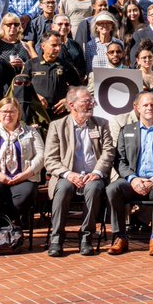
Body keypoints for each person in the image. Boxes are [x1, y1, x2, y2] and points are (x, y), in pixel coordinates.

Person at [104, 91, 153, 257]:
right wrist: (133, 179)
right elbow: (120, 161)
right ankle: (120, 237)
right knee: (112, 189)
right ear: (137, 108)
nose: (149, 108)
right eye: (145, 105)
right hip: (133, 181)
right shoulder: (126, 130)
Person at [43, 87, 114, 257]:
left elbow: (108, 151)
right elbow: (50, 159)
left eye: (91, 101)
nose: (91, 104)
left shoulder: (101, 124)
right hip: (67, 174)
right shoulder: (57, 126)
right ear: (72, 105)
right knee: (64, 189)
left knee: (93, 189)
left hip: (92, 174)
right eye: (86, 101)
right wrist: (69, 174)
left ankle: (86, 238)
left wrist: (97, 172)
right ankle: (57, 238)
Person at [0, 97, 45, 231]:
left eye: (12, 111)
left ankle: (4, 226)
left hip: (24, 176)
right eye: (4, 111)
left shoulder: (31, 132)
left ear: (19, 113)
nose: (8, 115)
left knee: (25, 196)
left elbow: (41, 155)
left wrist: (27, 173)